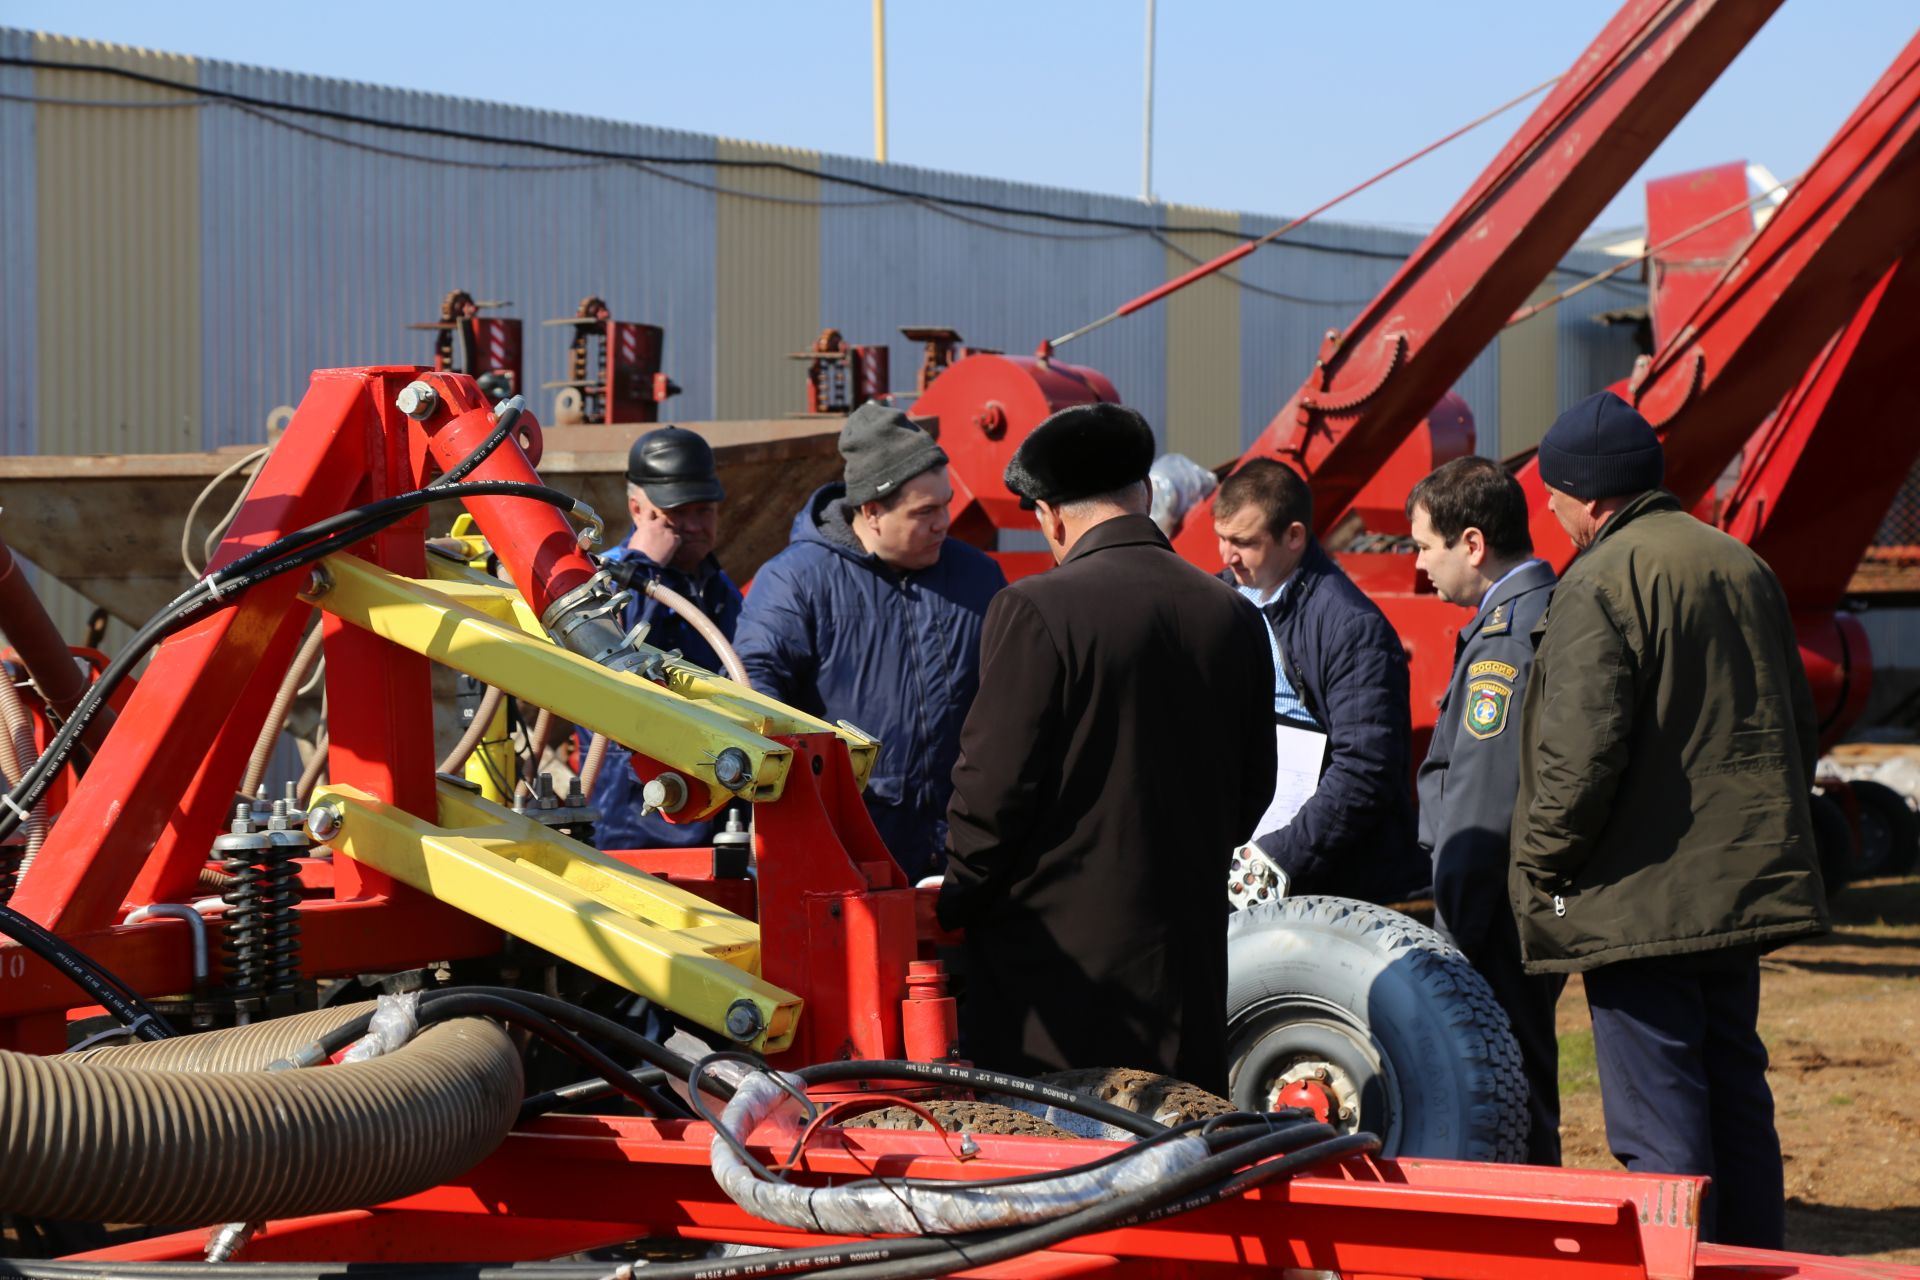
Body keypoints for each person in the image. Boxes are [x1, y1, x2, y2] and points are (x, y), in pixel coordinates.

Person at [1513, 390, 1829, 1245]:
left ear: (1588, 495)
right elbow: (1797, 721)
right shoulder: (1740, 563)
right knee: (1735, 1097)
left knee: (1661, 1129)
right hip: (1734, 892)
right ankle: (1754, 1263)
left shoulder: (1599, 582)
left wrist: (1542, 868)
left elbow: (1576, 760)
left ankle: (1683, 1265)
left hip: (1639, 901)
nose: (1548, 509)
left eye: (1552, 494)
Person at [938, 403, 1276, 1090]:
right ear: (1146, 496)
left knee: (1065, 1175)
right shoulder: (1231, 612)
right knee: (1180, 1162)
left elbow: (990, 794)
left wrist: (957, 902)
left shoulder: (1035, 609)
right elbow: (1254, 785)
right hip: (1187, 963)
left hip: (1055, 979)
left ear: (1051, 516)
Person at [733, 401, 1005, 881]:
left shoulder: (977, 577)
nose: (944, 522)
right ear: (872, 511)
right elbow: (754, 691)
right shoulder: (796, 581)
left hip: (964, 843)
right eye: (925, 512)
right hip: (847, 843)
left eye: (946, 504)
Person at [1407, 455, 1563, 1165]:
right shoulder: (1531, 613)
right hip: (1523, 902)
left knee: (1509, 1089)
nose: (1418, 567)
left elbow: (1481, 800)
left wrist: (1454, 935)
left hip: (1494, 911)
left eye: (1423, 547)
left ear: (1471, 544)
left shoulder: (1506, 637)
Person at [1212, 458, 1424, 902]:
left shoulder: (1351, 627)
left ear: (1293, 536)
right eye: (1221, 539)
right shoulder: (1222, 598)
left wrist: (1277, 858)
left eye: (1244, 543)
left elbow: (1365, 767)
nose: (1227, 556)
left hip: (1324, 878)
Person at [582, 425, 744, 851]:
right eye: (677, 513)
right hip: (632, 808)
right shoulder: (602, 584)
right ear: (638, 509)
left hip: (713, 790)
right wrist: (645, 565)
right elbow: (613, 665)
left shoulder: (716, 586)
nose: (693, 526)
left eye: (704, 511)